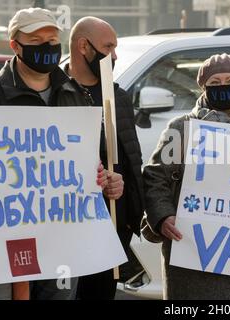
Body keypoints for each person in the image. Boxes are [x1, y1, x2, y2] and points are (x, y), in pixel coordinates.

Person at [0, 7, 120, 300]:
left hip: (63, 238)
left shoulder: (76, 94)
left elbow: (91, 161)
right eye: (36, 40)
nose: (47, 47)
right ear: (15, 45)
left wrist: (108, 180)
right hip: (8, 235)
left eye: (52, 40)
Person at [143, 53, 230, 300]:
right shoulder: (180, 128)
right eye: (214, 83)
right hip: (194, 250)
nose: (223, 87)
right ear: (203, 88)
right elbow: (155, 177)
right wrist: (163, 216)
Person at [66, 16, 145, 300]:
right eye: (108, 46)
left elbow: (129, 160)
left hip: (112, 226)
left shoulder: (118, 97)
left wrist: (125, 191)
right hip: (68, 228)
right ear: (84, 46)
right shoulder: (57, 94)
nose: (114, 55)